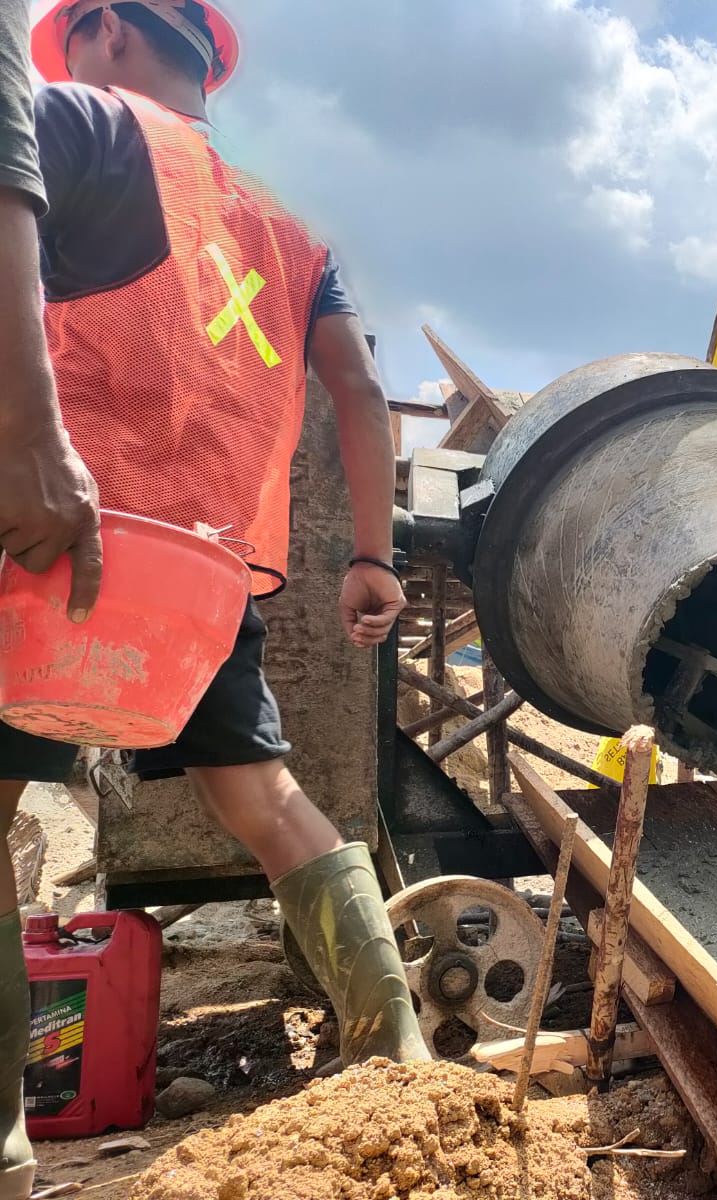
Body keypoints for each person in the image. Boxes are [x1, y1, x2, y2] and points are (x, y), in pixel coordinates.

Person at [3, 8, 430, 1171]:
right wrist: (373, 556)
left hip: (52, 543)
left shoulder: (83, 123)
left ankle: (4, 1142)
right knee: (266, 799)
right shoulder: (291, 227)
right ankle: (400, 1062)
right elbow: (356, 386)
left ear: (106, 32)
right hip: (196, 579)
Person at [0, 3, 102, 1193]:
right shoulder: (264, 214)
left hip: (70, 528)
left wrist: (33, 435)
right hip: (199, 551)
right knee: (260, 790)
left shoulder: (68, 123)